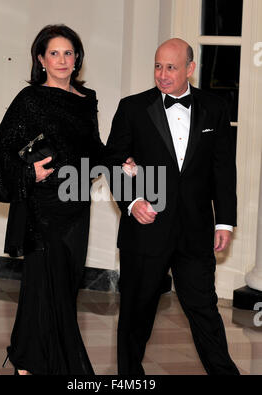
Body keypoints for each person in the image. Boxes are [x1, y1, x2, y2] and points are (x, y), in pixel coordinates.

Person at [0, 24, 121, 375]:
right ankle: (55, 368)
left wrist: (119, 162)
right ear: (41, 59)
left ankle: (26, 360)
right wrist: (31, 174)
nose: (62, 59)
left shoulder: (85, 99)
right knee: (46, 289)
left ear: (77, 59)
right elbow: (1, 152)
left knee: (62, 288)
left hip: (77, 205)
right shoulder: (30, 100)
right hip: (43, 209)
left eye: (68, 52)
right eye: (54, 53)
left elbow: (93, 147)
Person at [106, 38, 240, 375]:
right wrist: (133, 201)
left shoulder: (216, 107)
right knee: (137, 314)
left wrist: (224, 221)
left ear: (190, 69)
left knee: (205, 310)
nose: (162, 74)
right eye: (158, 66)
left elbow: (223, 168)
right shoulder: (132, 108)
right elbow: (112, 163)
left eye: (171, 67)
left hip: (195, 232)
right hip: (146, 231)